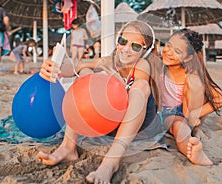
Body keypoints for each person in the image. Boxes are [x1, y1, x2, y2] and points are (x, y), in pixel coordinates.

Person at [37, 20, 163, 183]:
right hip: (111, 123)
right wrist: (55, 68)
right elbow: (76, 67)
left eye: (135, 46)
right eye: (123, 42)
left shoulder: (142, 65)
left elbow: (138, 89)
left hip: (136, 126)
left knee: (141, 86)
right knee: (86, 73)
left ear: (145, 51)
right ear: (118, 40)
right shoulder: (107, 61)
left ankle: (111, 163)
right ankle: (68, 147)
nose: (126, 49)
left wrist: (119, 83)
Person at [159, 28, 222, 166]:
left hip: (179, 115)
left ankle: (194, 153)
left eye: (177, 51)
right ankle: (193, 130)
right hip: (158, 112)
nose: (168, 52)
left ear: (188, 57)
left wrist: (194, 114)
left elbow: (220, 99)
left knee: (180, 129)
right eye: (168, 45)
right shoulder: (159, 67)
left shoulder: (190, 74)